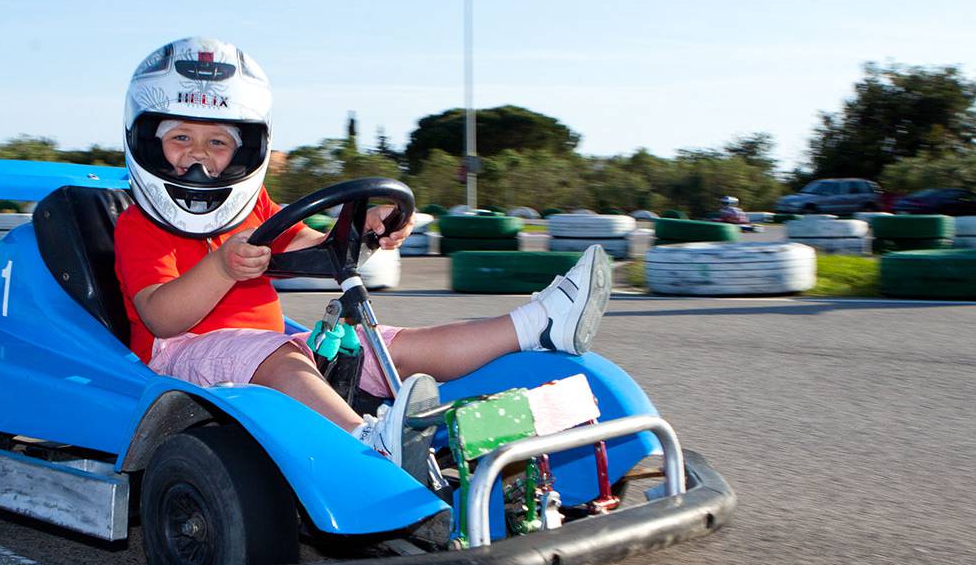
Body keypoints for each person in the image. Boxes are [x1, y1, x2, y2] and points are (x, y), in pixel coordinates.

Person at [113, 37, 611, 472]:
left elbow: (312, 249)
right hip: (181, 359)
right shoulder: (140, 224)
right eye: (181, 137)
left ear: (244, 151)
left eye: (218, 141)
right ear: (150, 142)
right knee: (282, 356)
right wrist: (221, 267)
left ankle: (535, 324)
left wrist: (366, 231)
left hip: (272, 351)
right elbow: (161, 318)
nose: (199, 154)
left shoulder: (254, 206)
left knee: (389, 345)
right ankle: (366, 441)